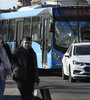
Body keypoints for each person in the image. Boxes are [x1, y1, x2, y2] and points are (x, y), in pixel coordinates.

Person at [0, 34, 12, 100]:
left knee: (2, 85)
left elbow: (10, 56)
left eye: (1, 39)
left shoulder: (5, 46)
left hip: (4, 69)